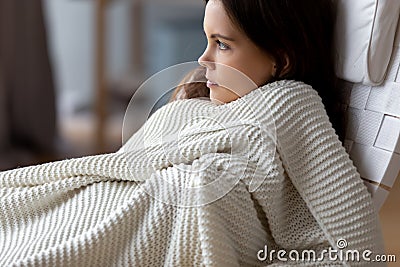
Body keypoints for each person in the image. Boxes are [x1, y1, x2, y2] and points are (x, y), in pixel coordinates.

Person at [0, 0, 385, 266]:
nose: (204, 58)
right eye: (207, 40)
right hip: (109, 202)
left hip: (170, 217)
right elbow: (123, 166)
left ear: (280, 59)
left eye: (222, 45)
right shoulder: (197, 100)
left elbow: (359, 245)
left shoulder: (291, 103)